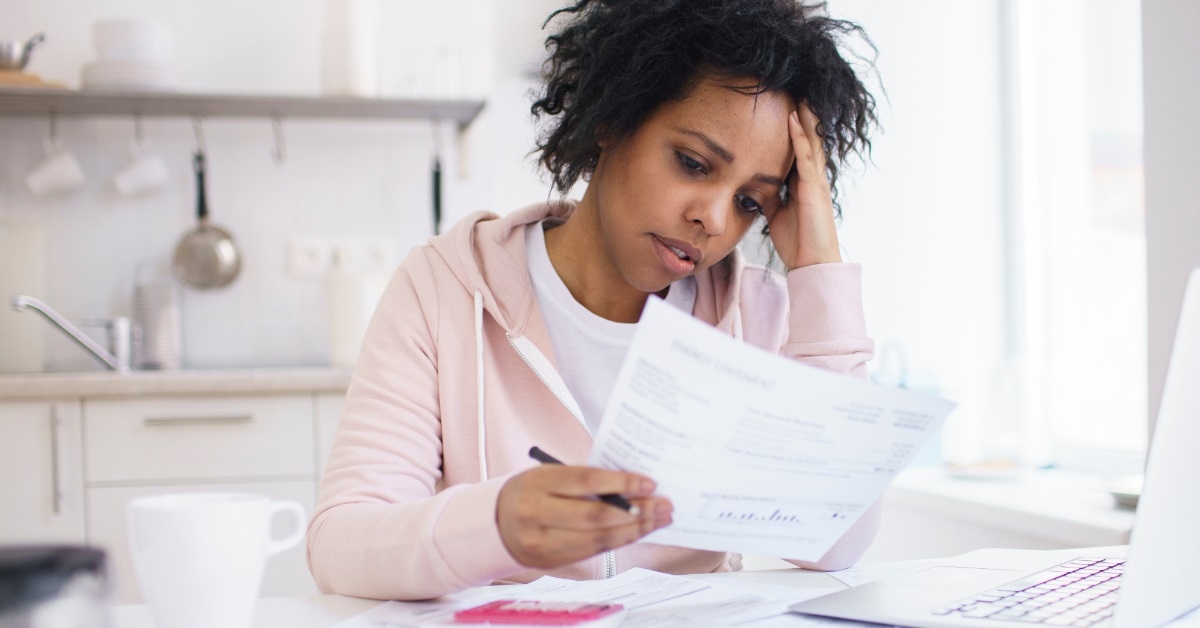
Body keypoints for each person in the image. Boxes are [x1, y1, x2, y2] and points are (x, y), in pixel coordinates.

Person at [308, 0, 880, 601]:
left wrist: (820, 270)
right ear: (614, 118)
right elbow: (340, 545)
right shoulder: (443, 289)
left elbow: (836, 541)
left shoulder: (759, 313)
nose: (713, 219)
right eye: (693, 164)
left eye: (749, 203)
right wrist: (496, 524)